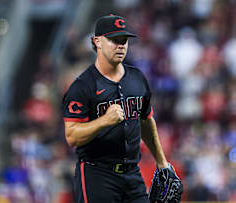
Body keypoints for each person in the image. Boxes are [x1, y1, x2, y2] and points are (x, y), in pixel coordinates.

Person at [62, 15, 171, 203]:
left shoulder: (137, 78)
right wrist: (104, 121)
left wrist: (162, 162)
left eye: (124, 40)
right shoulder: (82, 86)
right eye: (114, 40)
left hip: (132, 173)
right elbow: (72, 136)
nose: (120, 45)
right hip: (97, 173)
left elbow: (146, 120)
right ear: (98, 42)